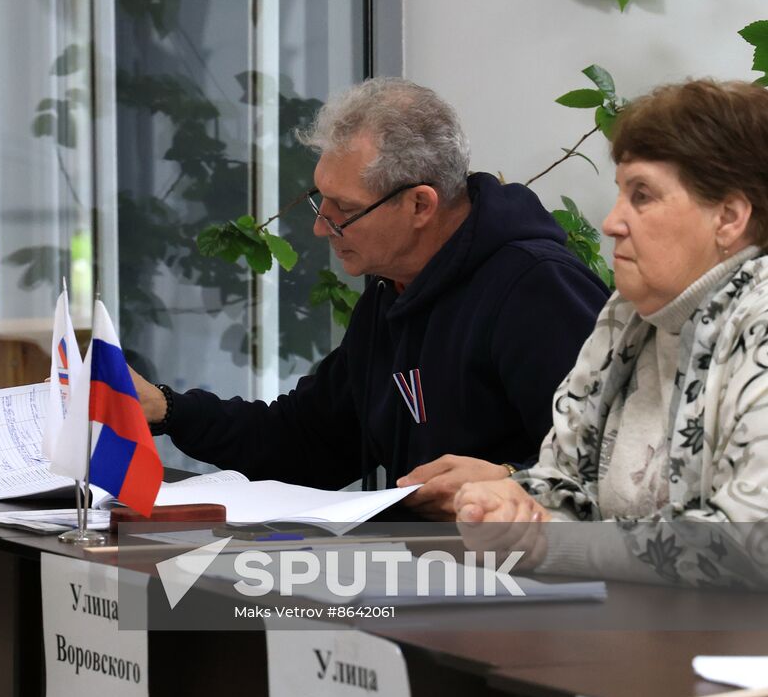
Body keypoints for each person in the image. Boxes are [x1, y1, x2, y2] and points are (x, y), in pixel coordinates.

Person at [131, 78, 610, 519]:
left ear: (420, 204)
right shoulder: (390, 296)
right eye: (322, 201)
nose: (322, 227)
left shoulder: (537, 289)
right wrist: (167, 408)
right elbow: (307, 441)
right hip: (430, 576)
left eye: (346, 210)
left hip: (529, 585)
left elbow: (609, 463)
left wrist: (508, 480)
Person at [456, 79, 768, 585]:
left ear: (729, 218)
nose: (610, 222)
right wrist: (512, 509)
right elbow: (563, 482)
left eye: (641, 196)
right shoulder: (629, 313)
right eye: (620, 193)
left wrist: (552, 545)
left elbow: (748, 543)